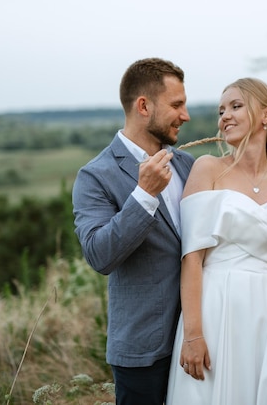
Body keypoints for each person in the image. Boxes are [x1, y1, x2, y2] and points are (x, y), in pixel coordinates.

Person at [166, 78, 267, 404]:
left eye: (236, 106)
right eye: (221, 110)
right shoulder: (207, 169)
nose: (225, 116)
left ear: (266, 115)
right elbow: (192, 257)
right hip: (218, 306)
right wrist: (194, 334)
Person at [71, 57, 195, 405]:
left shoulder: (188, 165)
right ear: (144, 106)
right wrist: (144, 195)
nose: (185, 116)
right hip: (143, 349)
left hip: (199, 339)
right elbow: (99, 255)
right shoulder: (95, 176)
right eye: (176, 105)